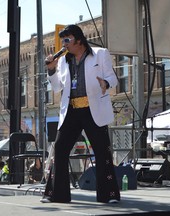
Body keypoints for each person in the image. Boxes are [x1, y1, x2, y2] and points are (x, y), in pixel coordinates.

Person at [41, 24, 120, 203]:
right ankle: (56, 194)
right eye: (63, 41)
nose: (64, 45)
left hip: (93, 109)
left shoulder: (100, 54)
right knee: (60, 149)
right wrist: (51, 69)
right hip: (72, 109)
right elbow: (56, 87)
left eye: (67, 40)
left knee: (102, 151)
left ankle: (109, 195)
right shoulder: (63, 60)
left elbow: (113, 78)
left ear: (78, 39)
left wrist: (105, 84)